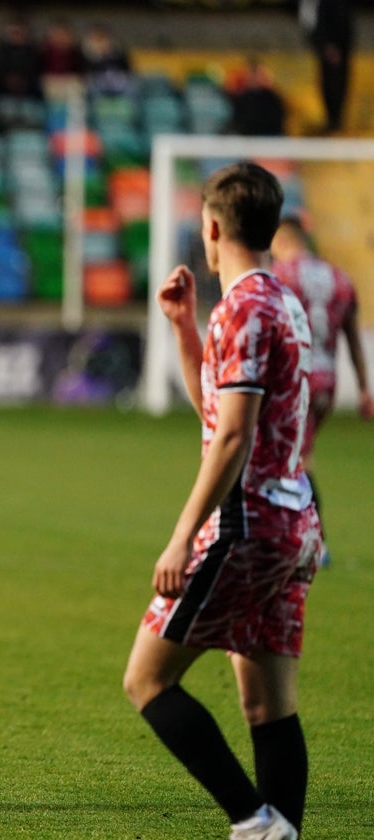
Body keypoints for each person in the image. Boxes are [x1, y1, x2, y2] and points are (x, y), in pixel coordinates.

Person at [122, 162, 322, 840]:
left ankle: (254, 821)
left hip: (246, 521)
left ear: (210, 228)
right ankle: (280, 830)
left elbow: (232, 434)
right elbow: (220, 409)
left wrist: (184, 534)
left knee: (147, 681)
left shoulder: (243, 308)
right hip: (295, 522)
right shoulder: (283, 302)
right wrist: (184, 327)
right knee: (267, 703)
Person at [270, 215, 373, 559]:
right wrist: (363, 387)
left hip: (294, 377)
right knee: (298, 456)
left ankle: (315, 540)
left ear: (282, 240)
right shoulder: (340, 278)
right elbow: (353, 338)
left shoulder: (280, 276)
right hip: (327, 379)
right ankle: (294, 535)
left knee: (295, 460)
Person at [299, 0, 353, 134]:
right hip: (329, 46)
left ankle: (335, 120)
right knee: (329, 83)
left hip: (335, 47)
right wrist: (325, 44)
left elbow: (341, 20)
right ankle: (332, 120)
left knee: (335, 84)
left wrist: (333, 45)